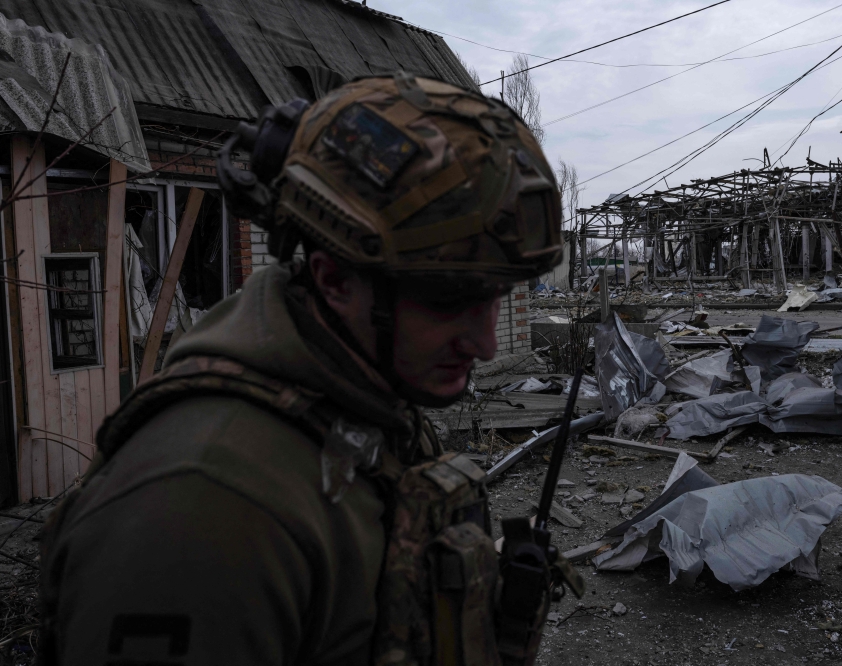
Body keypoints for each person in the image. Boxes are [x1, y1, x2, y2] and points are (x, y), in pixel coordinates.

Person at [38, 73, 577, 665]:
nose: (486, 344)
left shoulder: (363, 397)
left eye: (495, 297)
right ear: (334, 279)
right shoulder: (200, 508)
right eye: (449, 299)